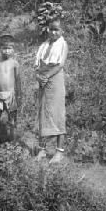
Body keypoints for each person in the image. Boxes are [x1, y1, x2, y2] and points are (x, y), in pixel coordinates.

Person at [34, 19, 68, 163]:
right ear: (47, 30)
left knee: (57, 114)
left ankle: (59, 152)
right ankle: (42, 149)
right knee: (42, 114)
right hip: (43, 81)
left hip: (54, 81)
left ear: (62, 31)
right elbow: (37, 65)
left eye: (57, 30)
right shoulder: (44, 45)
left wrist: (46, 76)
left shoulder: (63, 45)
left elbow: (60, 65)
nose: (53, 32)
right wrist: (38, 77)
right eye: (51, 29)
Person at [0, 34, 22, 143]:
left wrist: (19, 96)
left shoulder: (15, 64)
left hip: (11, 96)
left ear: (13, 49)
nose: (7, 51)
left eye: (9, 48)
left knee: (12, 122)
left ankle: (14, 145)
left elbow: (18, 81)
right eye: (4, 48)